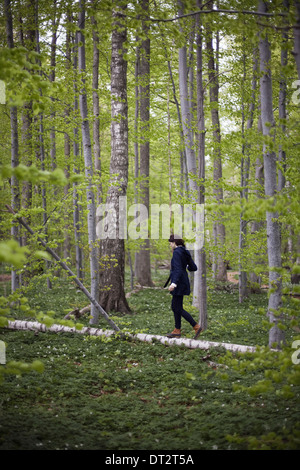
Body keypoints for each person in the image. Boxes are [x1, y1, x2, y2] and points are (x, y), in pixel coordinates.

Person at [166, 234, 202, 339]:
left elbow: (177, 269)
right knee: (177, 307)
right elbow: (193, 267)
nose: (170, 245)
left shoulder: (177, 252)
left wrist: (174, 283)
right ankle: (177, 330)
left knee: (176, 307)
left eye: (170, 243)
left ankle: (196, 326)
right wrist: (184, 265)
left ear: (175, 243)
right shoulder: (185, 252)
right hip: (183, 282)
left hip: (179, 283)